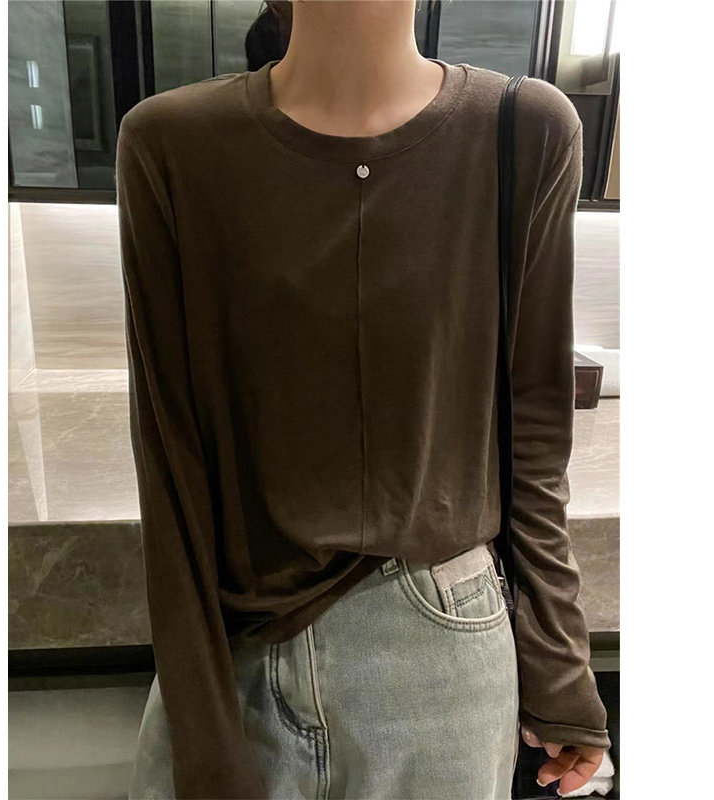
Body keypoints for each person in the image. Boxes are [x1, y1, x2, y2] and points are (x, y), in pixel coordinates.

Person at [117, 2, 611, 798]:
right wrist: (204, 734)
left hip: (441, 651)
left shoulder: (523, 129)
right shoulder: (172, 143)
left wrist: (558, 660)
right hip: (235, 647)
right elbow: (170, 456)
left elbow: (534, 425)